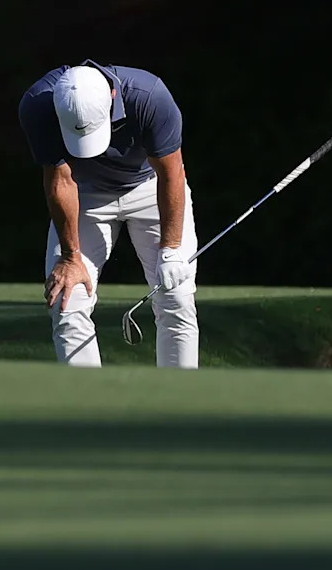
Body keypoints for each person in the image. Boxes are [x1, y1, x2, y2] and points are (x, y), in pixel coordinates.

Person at [17, 59, 199, 369]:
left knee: (176, 297)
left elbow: (171, 175)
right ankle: (88, 398)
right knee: (67, 301)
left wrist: (170, 251)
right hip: (83, 194)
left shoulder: (149, 96)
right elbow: (60, 181)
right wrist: (71, 258)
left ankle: (181, 398)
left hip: (150, 188)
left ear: (113, 97)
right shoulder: (38, 105)